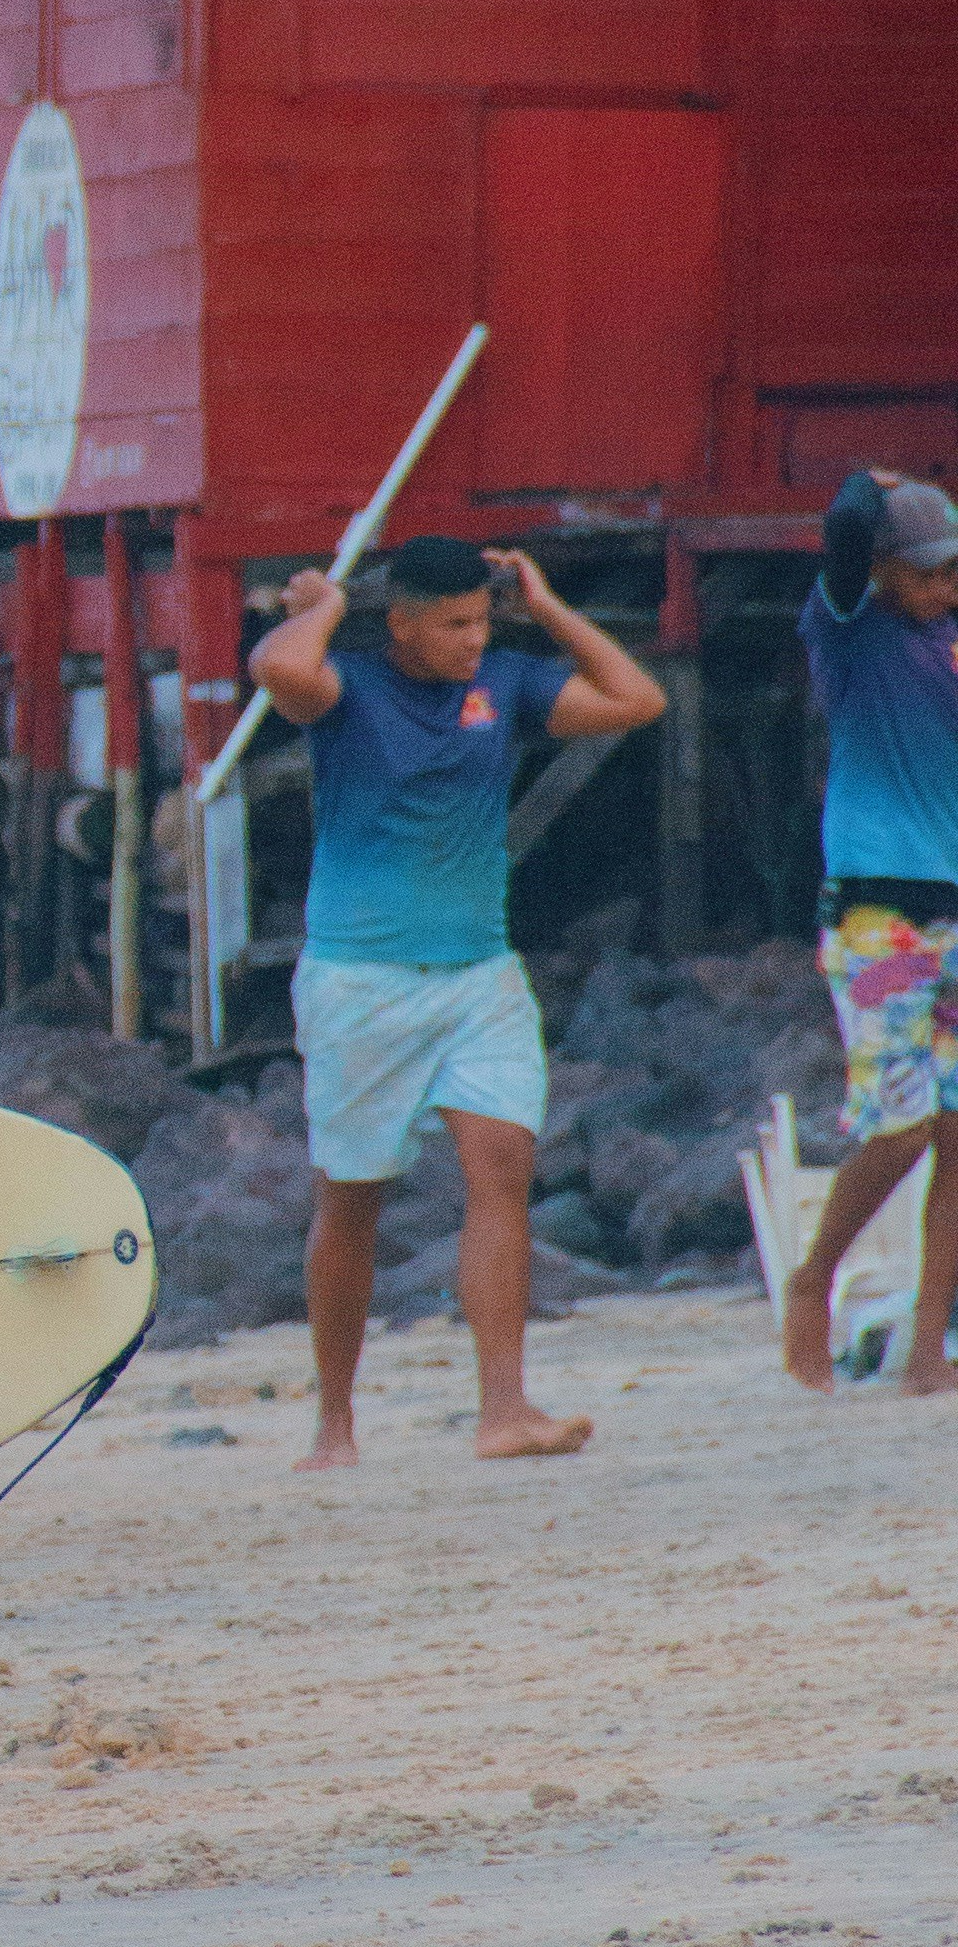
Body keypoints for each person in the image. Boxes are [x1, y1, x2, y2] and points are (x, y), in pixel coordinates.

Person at [249, 533, 661, 1469]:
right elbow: (277, 663)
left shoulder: (509, 683)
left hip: (480, 975)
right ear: (400, 624)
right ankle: (335, 1427)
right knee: (352, 1199)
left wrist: (548, 609)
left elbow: (639, 699)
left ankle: (505, 1411)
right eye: (452, 626)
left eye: (482, 620)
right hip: (361, 981)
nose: (473, 639)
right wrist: (324, 604)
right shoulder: (345, 687)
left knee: (502, 1175)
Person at [783, 467, 958, 1396]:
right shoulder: (847, 629)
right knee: (898, 1130)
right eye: (928, 573)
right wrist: (865, 482)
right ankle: (812, 1282)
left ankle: (931, 1347)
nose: (944, 588)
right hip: (879, 911)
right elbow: (845, 527)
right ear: (887, 571)